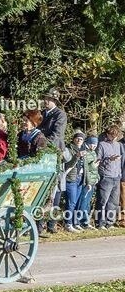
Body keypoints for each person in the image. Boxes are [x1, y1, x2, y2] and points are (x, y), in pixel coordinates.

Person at [39, 92, 68, 233]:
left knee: (55, 189)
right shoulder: (41, 114)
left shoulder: (60, 115)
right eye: (45, 98)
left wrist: (41, 144)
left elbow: (56, 135)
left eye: (48, 99)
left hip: (53, 153)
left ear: (54, 100)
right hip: (40, 153)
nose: (45, 101)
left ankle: (51, 223)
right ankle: (38, 224)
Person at [63, 131, 98, 231]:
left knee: (77, 202)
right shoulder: (68, 149)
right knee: (71, 202)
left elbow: (86, 168)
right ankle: (68, 224)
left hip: (80, 178)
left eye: (81, 139)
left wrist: (87, 182)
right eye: (77, 138)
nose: (79, 140)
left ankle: (75, 223)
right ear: (74, 139)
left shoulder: (84, 150)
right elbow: (68, 164)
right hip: (71, 178)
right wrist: (77, 156)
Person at [95, 126, 123, 229]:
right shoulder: (102, 145)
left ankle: (109, 222)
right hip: (106, 176)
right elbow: (97, 161)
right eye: (112, 135)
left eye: (116, 135)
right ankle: (100, 223)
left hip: (116, 176)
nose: (114, 137)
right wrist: (109, 159)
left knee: (113, 202)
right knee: (102, 201)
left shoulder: (118, 145)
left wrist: (119, 173)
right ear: (107, 134)